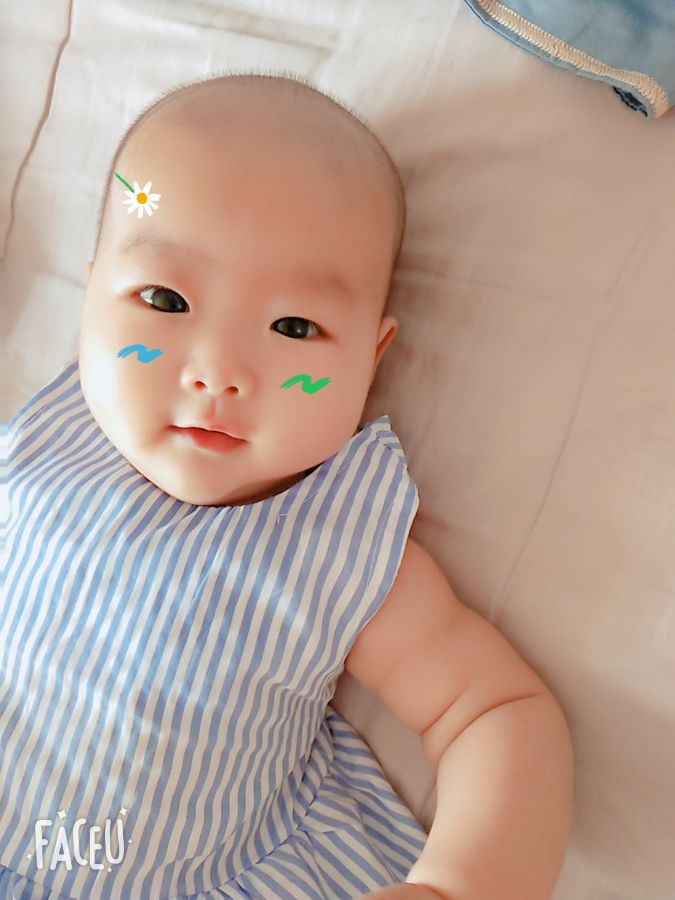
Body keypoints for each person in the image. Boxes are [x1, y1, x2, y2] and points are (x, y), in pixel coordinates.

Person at [0, 71, 574, 899]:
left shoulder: (339, 555)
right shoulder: (37, 452)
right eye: (163, 298)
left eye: (294, 325)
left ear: (371, 358)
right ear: (90, 296)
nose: (218, 372)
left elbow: (493, 712)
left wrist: (458, 885)